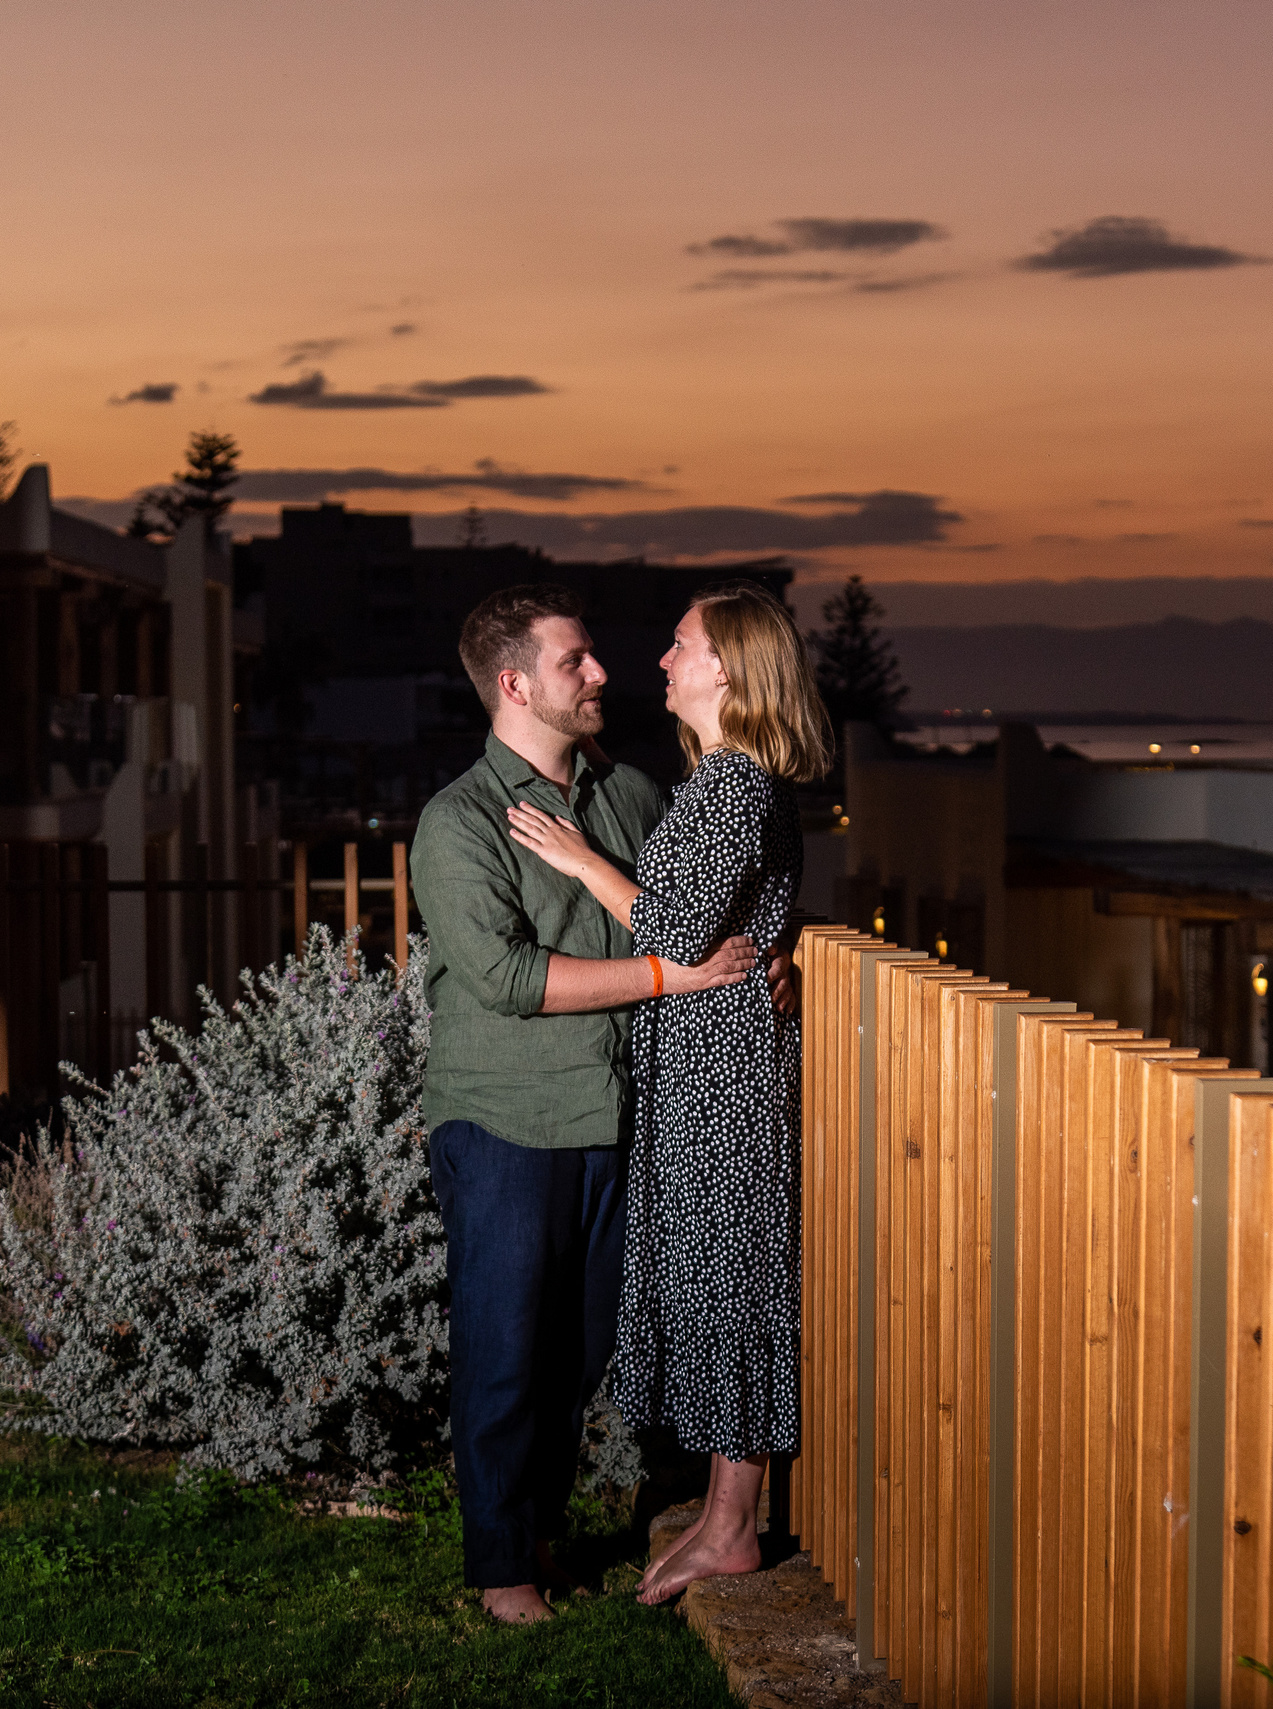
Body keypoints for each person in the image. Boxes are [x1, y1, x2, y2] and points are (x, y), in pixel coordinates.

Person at [411, 583, 776, 1626]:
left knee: (574, 1349)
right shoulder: (460, 821)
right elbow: (511, 978)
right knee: (505, 1344)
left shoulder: (627, 795)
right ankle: (500, 1566)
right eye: (577, 661)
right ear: (517, 683)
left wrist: (773, 952)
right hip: (506, 1119)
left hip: (618, 1116)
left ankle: (537, 1526)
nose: (603, 673)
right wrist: (672, 978)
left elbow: (704, 905)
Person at [504, 581, 832, 1605]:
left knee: (729, 1282)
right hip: (708, 1058)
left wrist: (579, 858)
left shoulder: (734, 780)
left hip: (721, 1070)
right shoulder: (728, 780)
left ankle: (732, 1524)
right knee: (713, 1271)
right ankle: (722, 1506)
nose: (660, 661)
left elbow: (676, 931)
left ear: (729, 667)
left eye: (681, 645)